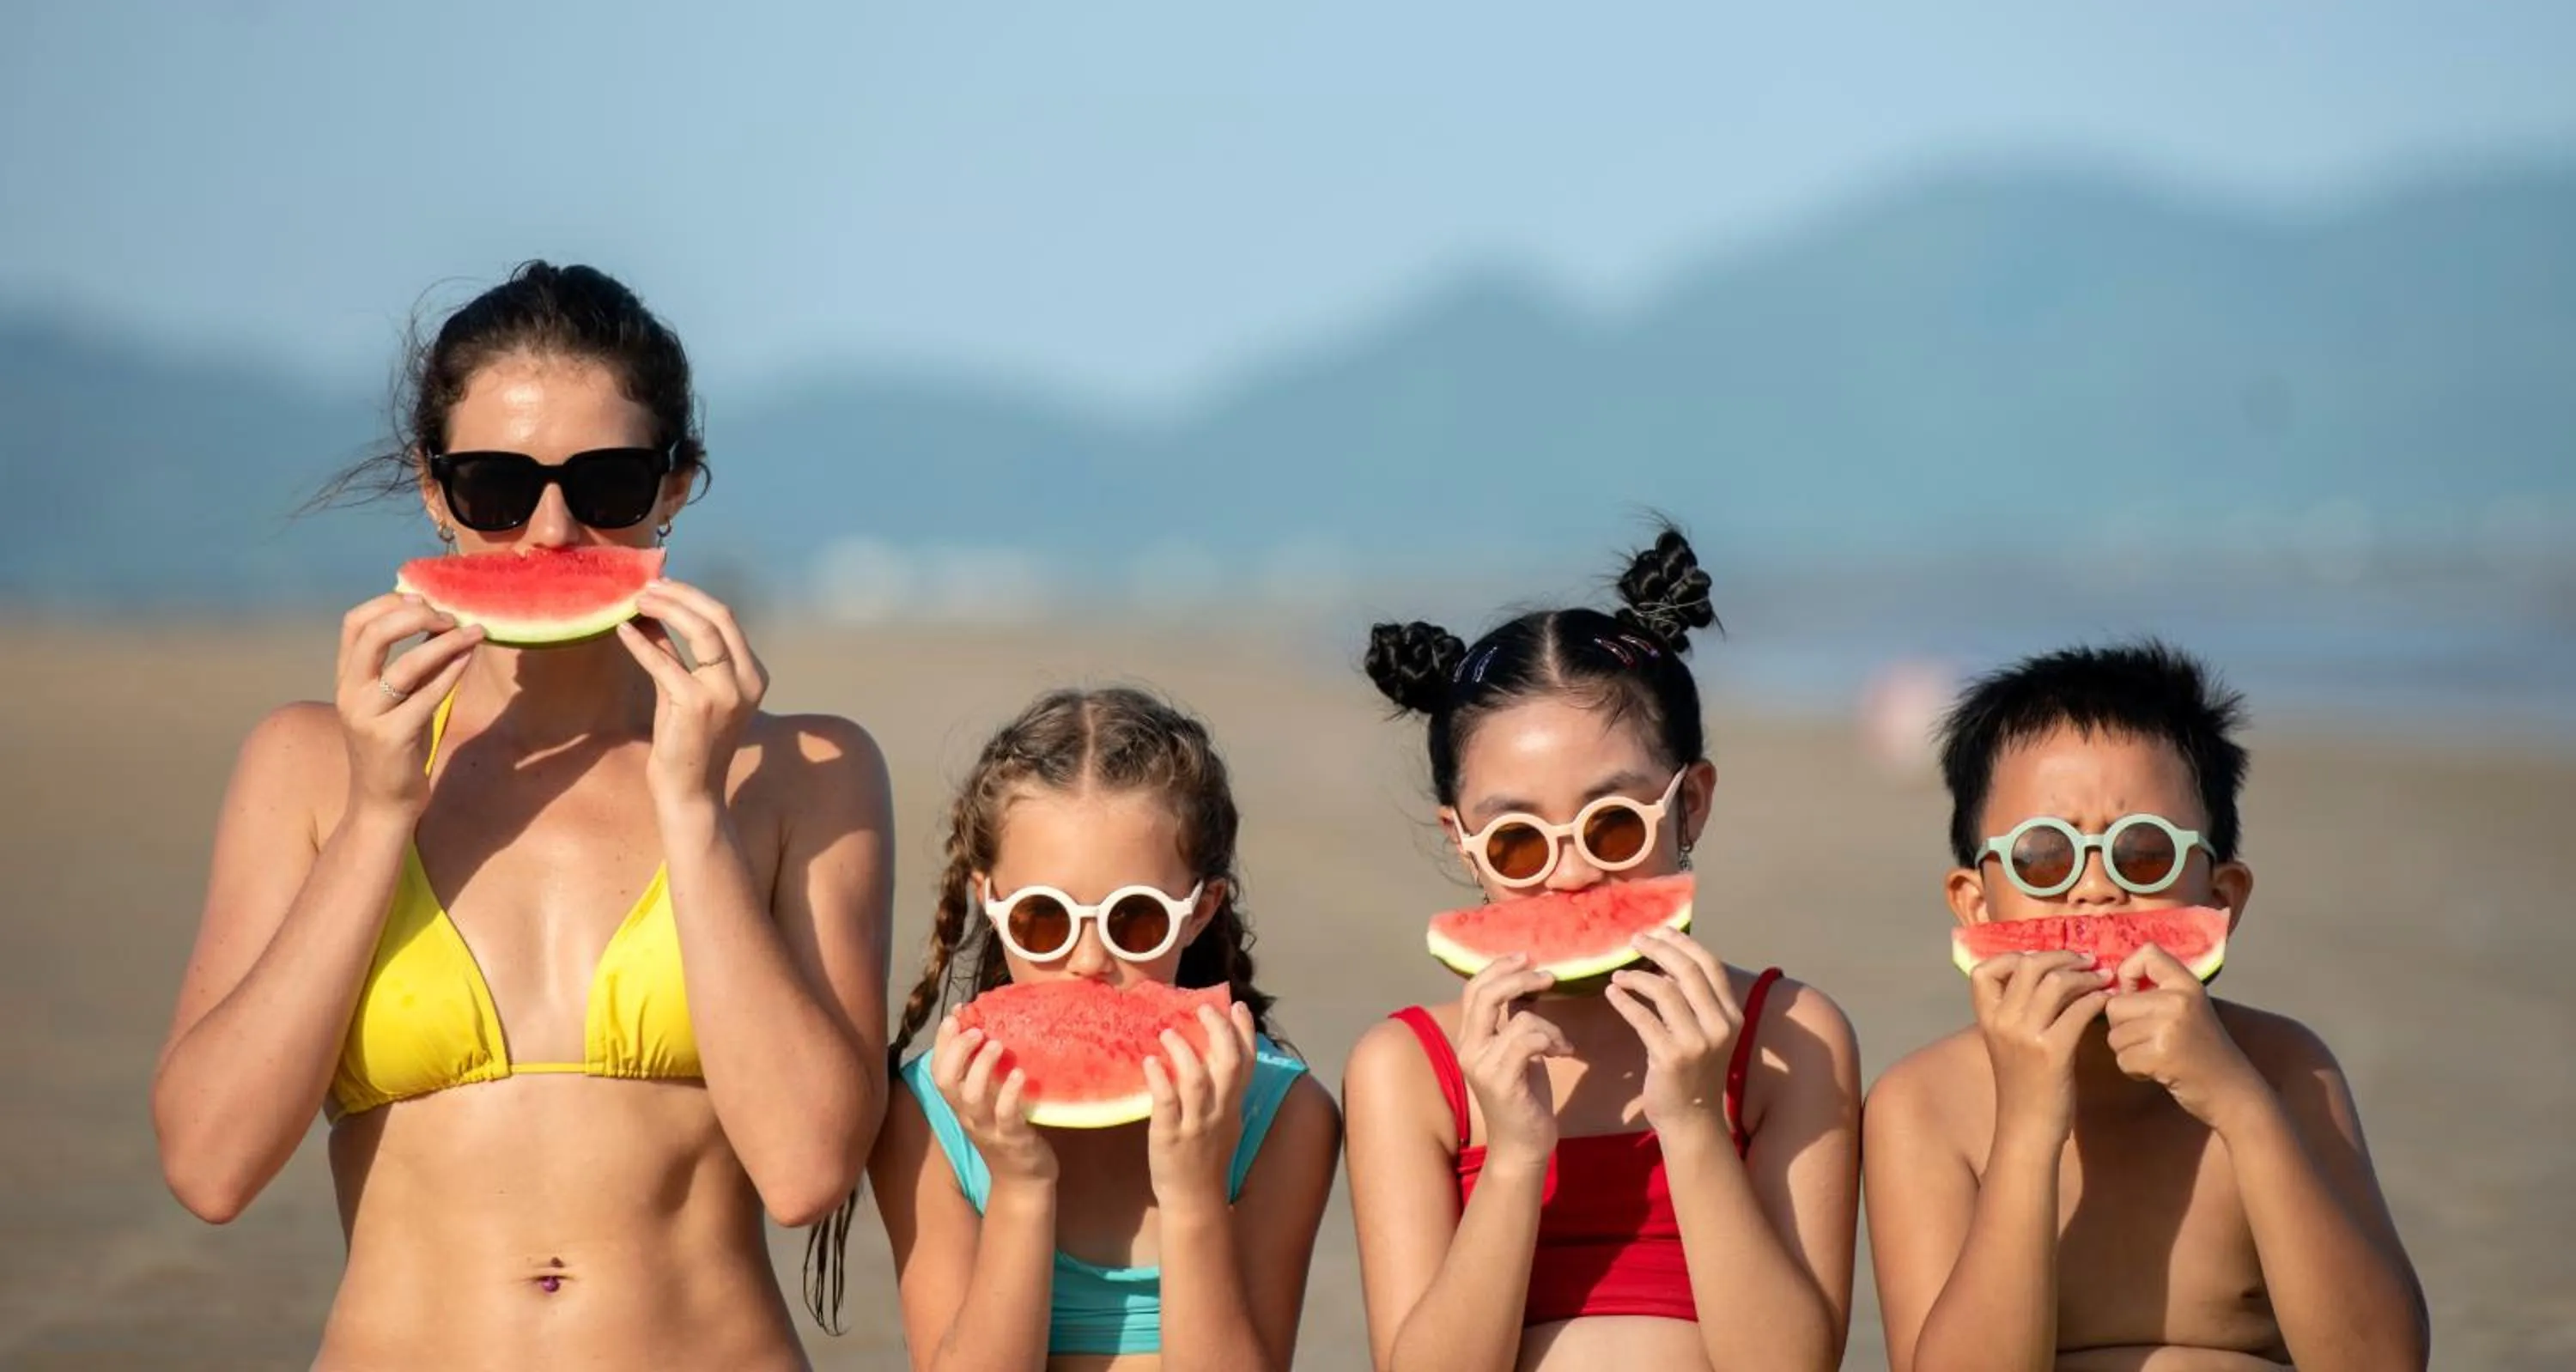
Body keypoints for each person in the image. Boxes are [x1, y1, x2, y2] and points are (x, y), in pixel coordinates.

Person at [153, 261, 894, 1369]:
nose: (550, 531)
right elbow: (210, 1166)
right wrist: (376, 817)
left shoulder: (804, 772)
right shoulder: (306, 766)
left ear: (677, 486)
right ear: (433, 488)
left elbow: (806, 1171)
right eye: (497, 486)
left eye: (608, 483)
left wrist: (694, 811)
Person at [1342, 527, 1862, 1372]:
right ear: (1462, 842)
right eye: (1517, 840)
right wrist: (1514, 1156)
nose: (1574, 873)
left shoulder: (1790, 1036)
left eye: (1612, 824)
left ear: (1691, 803)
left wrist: (1693, 1121)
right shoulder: (1407, 1070)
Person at [1862, 640, 2430, 1371]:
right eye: (2044, 856)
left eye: (2143, 854)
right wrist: (2028, 1127)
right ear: (1975, 906)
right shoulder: (1924, 1106)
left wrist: (2242, 1107)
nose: (2096, 890)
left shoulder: (2287, 1070)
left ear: (2220, 899)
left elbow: (2383, 1361)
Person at [856, 686, 1341, 1370]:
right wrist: (1020, 1189)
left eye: (1135, 919)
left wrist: (1195, 1196)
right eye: (1044, 918)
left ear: (1200, 911)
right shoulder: (930, 1115)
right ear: (989, 901)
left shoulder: (1282, 1116)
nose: (1088, 961)